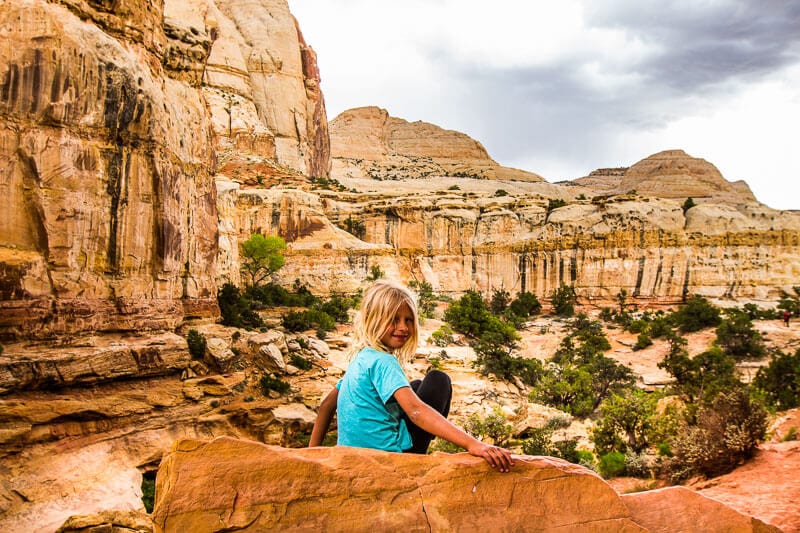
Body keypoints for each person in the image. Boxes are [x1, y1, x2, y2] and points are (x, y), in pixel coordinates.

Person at [309, 279, 514, 472]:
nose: (403, 328)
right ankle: (417, 458)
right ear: (373, 320)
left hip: (351, 457)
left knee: (415, 385)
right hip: (389, 460)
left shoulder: (361, 358)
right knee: (437, 380)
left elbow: (327, 405)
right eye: (394, 320)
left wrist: (312, 456)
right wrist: (473, 444)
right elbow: (416, 411)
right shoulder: (384, 361)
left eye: (408, 320)